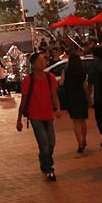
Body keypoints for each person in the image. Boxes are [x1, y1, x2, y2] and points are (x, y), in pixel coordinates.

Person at [17, 52, 64, 181]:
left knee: (51, 143)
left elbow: (54, 95)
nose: (43, 63)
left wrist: (58, 108)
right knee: (44, 143)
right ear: (33, 64)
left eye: (44, 61)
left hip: (48, 115)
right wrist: (19, 119)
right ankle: (49, 169)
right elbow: (24, 100)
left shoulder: (50, 77)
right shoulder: (28, 80)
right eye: (40, 61)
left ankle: (44, 159)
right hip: (35, 116)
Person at [59, 53, 89, 154]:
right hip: (81, 96)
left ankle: (79, 143)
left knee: (76, 122)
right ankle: (84, 139)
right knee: (83, 121)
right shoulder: (82, 71)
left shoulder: (66, 72)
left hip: (71, 98)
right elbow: (85, 85)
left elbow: (61, 83)